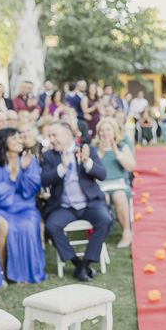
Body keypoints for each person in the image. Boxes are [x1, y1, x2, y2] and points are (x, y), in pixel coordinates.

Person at [0, 128, 44, 287]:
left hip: (25, 207)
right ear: (4, 142)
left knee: (25, 226)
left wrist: (23, 170)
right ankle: (0, 273)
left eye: (20, 138)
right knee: (2, 226)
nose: (19, 141)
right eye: (14, 138)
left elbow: (30, 190)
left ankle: (20, 274)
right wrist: (13, 175)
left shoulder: (28, 160)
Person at [41, 121, 112, 282]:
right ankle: (77, 263)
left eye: (54, 135)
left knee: (105, 220)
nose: (51, 139)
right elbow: (43, 181)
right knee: (52, 226)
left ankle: (85, 263)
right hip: (64, 207)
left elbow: (102, 174)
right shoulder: (49, 156)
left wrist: (87, 162)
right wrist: (62, 167)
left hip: (89, 204)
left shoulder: (87, 150)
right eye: (49, 136)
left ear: (67, 135)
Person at [93, 118, 135, 248]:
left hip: (119, 184)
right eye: (102, 130)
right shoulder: (94, 147)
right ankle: (102, 230)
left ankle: (127, 232)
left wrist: (117, 152)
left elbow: (131, 167)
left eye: (108, 130)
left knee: (119, 196)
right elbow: (90, 171)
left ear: (114, 132)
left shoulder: (122, 146)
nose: (105, 133)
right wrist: (100, 153)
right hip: (101, 185)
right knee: (102, 197)